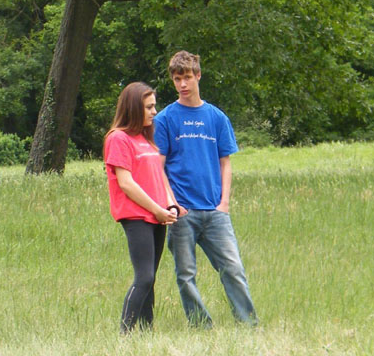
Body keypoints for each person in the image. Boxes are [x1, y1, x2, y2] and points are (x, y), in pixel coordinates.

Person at [153, 50, 258, 327]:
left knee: (233, 269)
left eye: (187, 77)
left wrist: (224, 204)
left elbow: (226, 163)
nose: (182, 84)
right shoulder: (164, 119)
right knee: (186, 275)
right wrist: (173, 203)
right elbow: (158, 167)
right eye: (177, 79)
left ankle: (248, 324)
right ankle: (201, 326)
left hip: (215, 211)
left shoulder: (217, 118)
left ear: (198, 76)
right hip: (182, 212)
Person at [104, 83, 181, 332]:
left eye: (154, 106)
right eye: (149, 107)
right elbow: (126, 183)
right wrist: (156, 209)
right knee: (144, 277)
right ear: (133, 108)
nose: (154, 112)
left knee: (151, 279)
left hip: (158, 216)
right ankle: (124, 333)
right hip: (136, 215)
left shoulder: (146, 140)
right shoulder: (118, 138)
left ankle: (147, 333)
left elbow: (158, 177)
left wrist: (169, 204)